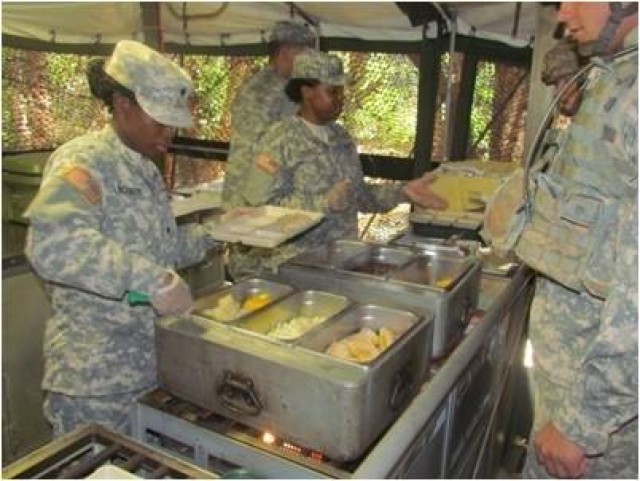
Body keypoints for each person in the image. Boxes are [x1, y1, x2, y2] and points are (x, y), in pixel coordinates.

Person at [24, 40, 219, 436]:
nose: (168, 135)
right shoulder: (82, 161)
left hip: (148, 365)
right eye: (160, 121)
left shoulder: (145, 169)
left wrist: (217, 233)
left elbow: (157, 249)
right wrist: (154, 281)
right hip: (95, 380)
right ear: (122, 104)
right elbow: (53, 245)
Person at [509, 3, 637, 478]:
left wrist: (583, 423)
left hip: (598, 423)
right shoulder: (614, 76)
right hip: (570, 385)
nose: (563, 14)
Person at [232, 50, 448, 277]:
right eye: (332, 91)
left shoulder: (341, 138)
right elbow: (261, 208)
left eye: (342, 92)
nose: (341, 99)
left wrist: (403, 192)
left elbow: (359, 196)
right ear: (307, 92)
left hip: (342, 261)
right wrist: (323, 203)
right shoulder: (279, 140)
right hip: (297, 268)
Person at [222, 20, 316, 210]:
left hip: (261, 192)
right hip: (251, 197)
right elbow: (259, 149)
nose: (309, 60)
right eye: (304, 53)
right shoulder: (262, 92)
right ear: (284, 52)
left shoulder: (282, 85)